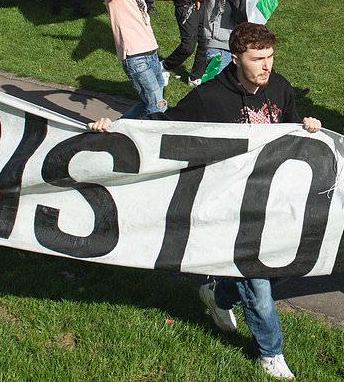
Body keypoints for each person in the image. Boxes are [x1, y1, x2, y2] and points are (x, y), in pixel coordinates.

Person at [87, 23, 322, 380]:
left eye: (270, 57)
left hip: (270, 203)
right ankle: (271, 354)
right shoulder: (209, 98)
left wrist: (309, 127)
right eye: (258, 58)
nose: (267, 66)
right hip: (227, 206)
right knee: (257, 282)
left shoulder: (281, 88)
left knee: (284, 269)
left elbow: (290, 135)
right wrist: (115, 129)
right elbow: (162, 127)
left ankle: (219, 294)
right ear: (235, 57)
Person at [104, 0, 182, 117]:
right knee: (157, 103)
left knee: (151, 101)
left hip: (152, 53)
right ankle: (160, 133)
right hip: (135, 56)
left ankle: (118, 129)